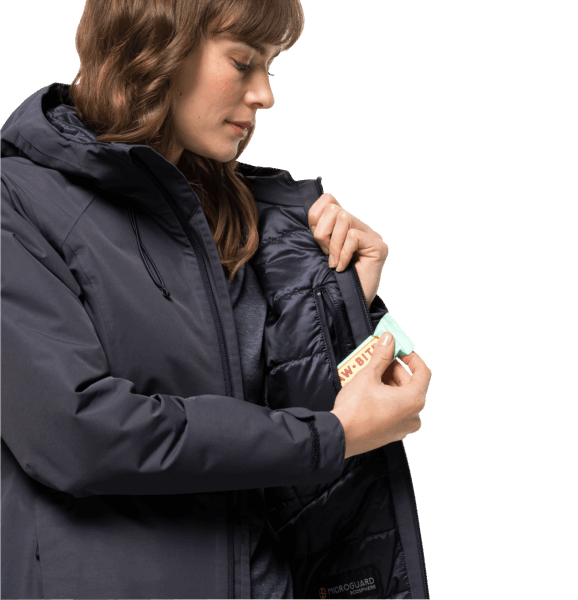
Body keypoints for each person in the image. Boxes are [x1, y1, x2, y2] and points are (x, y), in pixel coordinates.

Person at [0, 1, 432, 599]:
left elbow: (282, 436)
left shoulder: (250, 216)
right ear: (156, 47)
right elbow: (77, 436)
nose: (265, 95)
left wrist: (343, 301)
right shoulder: (18, 204)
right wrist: (331, 437)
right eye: (243, 62)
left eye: (272, 67)